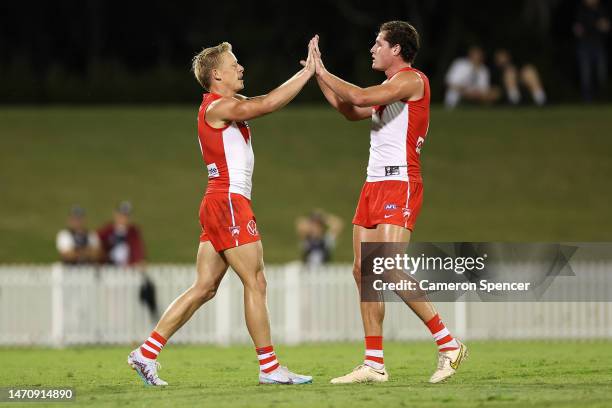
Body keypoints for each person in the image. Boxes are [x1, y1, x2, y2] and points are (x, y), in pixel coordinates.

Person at [127, 39, 317, 386]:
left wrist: (305, 75)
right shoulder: (217, 107)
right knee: (255, 281)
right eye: (234, 64)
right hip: (228, 201)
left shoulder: (225, 104)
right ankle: (270, 367)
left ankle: (145, 353)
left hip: (220, 201)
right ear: (217, 75)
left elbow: (267, 101)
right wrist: (308, 72)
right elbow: (268, 103)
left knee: (204, 287)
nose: (241, 68)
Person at [310, 21, 467, 384]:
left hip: (400, 182)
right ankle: (374, 363)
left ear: (396, 49)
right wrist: (316, 73)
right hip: (374, 184)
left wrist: (324, 70)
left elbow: (360, 97)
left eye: (378, 43)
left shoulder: (413, 81)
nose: (372, 49)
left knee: (388, 267)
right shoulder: (387, 89)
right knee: (363, 273)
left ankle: (449, 343)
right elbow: (350, 110)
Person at [98, 201, 159, 321]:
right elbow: (99, 248)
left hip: (129, 270)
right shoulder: (107, 231)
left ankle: (150, 314)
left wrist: (139, 261)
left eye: (126, 215)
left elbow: (138, 249)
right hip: (110, 270)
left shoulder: (133, 232)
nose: (124, 218)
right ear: (116, 215)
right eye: (122, 214)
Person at [573, 0, 610, 102]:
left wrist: (602, 26)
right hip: (584, 46)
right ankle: (587, 100)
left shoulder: (601, 10)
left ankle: (601, 97)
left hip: (598, 45)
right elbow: (577, 29)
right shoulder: (581, 11)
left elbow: (606, 26)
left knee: (601, 73)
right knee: (586, 75)